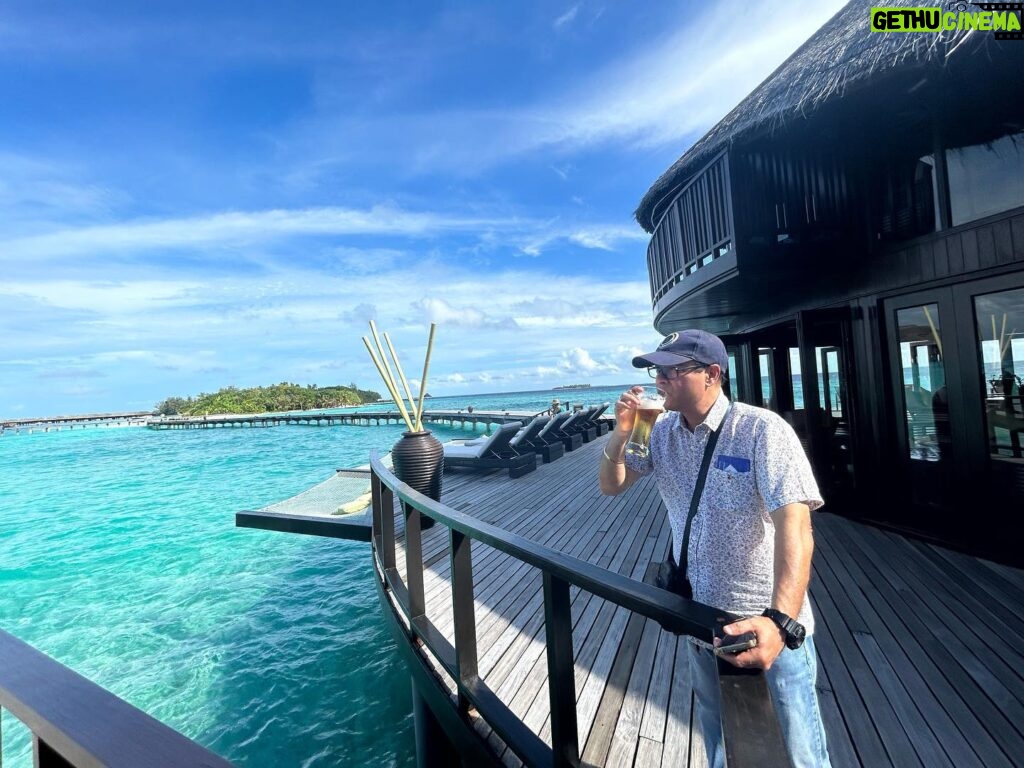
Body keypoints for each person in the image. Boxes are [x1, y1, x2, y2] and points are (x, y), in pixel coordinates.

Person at [598, 329, 831, 768]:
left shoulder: (761, 431)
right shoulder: (660, 431)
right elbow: (612, 486)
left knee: (799, 752)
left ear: (711, 374)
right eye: (657, 371)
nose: (660, 379)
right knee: (721, 744)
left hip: (766, 626)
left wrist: (779, 622)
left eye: (671, 370)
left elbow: (795, 527)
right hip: (702, 622)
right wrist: (620, 434)